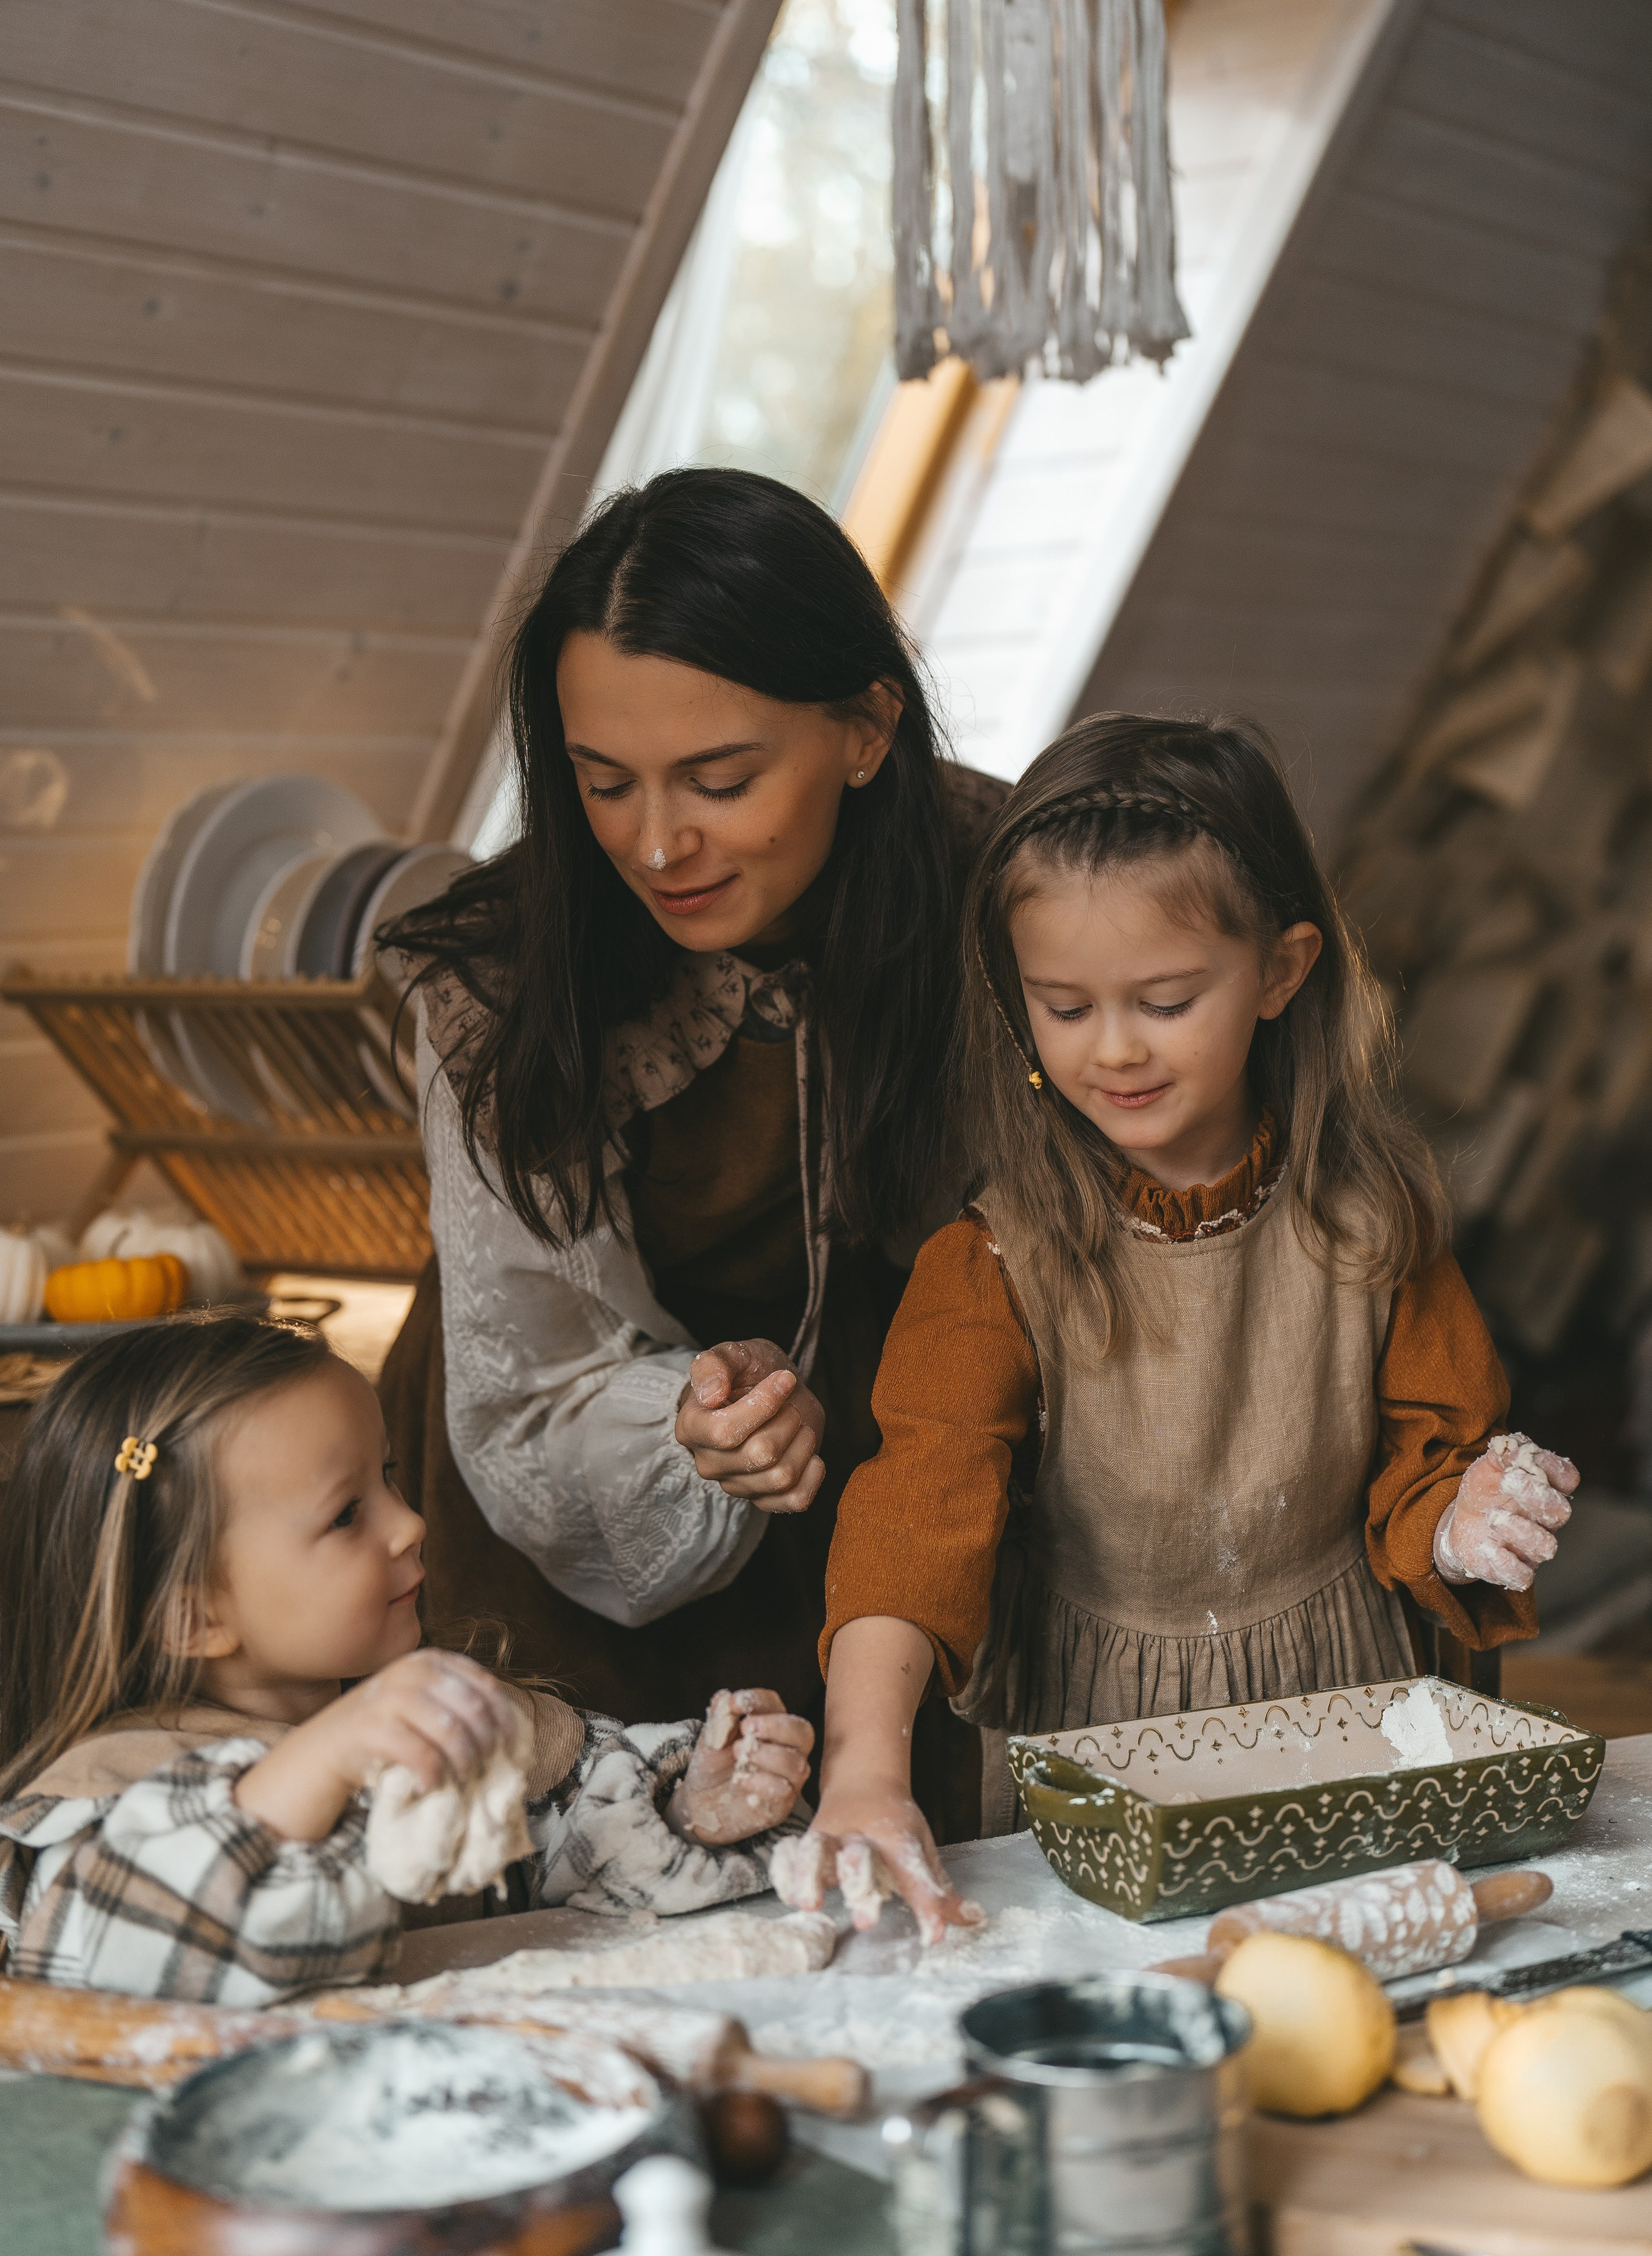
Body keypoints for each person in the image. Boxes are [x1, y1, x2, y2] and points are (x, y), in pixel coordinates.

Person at [782, 714, 1579, 1942]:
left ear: (1281, 969)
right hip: (1104, 1738)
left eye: (1162, 1000)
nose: (1113, 1050)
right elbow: (912, 1525)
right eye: (1062, 1005)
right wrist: (865, 1769)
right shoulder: (992, 1264)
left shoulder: (1372, 1228)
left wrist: (1465, 1518)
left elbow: (1425, 1471)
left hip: (1347, 1707)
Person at [378, 468, 1002, 1837]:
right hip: (574, 1495)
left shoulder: (1007, 886)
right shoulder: (495, 973)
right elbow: (532, 1373)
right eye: (603, 784)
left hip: (904, 1479)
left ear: (864, 726)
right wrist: (682, 1430)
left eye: (720, 781)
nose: (657, 845)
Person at [0, 1316, 812, 2002]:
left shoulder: (438, 1717)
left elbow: (576, 1858)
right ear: (190, 1614)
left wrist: (687, 1812)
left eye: (387, 1475)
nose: (410, 1522)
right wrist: (317, 1763)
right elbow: (107, 1955)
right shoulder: (110, 1791)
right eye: (347, 1513)